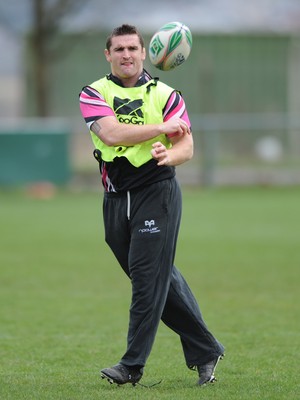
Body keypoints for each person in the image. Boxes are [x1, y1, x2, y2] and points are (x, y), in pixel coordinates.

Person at [79, 24, 224, 387]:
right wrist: (162, 130)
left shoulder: (167, 93)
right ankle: (206, 348)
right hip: (115, 196)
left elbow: (186, 147)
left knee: (147, 280)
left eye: (132, 48)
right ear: (108, 54)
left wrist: (169, 154)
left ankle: (131, 365)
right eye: (119, 49)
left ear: (144, 52)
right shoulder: (94, 92)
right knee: (158, 277)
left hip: (156, 192)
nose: (126, 54)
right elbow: (110, 133)